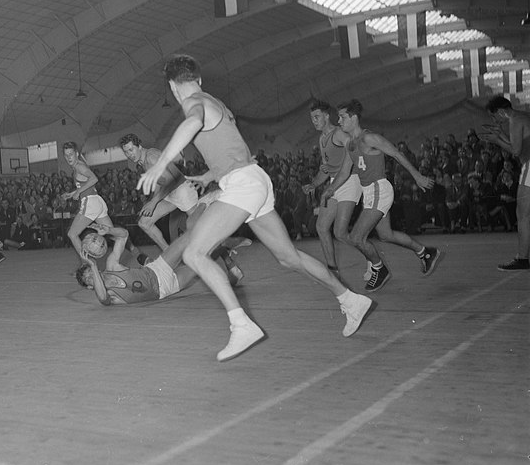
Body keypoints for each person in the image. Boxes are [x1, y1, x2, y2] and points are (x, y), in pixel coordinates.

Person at [137, 54, 373, 362]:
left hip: (243, 185)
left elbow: (192, 122)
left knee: (194, 254)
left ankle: (240, 324)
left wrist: (161, 165)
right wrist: (210, 175)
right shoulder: (215, 101)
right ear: (198, 78)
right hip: (253, 179)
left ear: (172, 85)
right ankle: (350, 300)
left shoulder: (194, 103)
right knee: (289, 258)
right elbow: (235, 149)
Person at [322, 100, 443, 292]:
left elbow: (395, 153)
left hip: (379, 189)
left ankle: (380, 269)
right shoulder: (351, 144)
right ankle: (425, 253)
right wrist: (330, 189)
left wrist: (417, 176)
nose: (339, 121)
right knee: (386, 235)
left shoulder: (369, 138)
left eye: (343, 117)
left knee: (356, 237)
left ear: (354, 117)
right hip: (369, 193)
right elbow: (345, 172)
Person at [76, 223, 245, 305]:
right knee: (203, 259)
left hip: (157, 268)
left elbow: (124, 235)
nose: (92, 274)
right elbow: (103, 298)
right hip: (166, 288)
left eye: (91, 271)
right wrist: (91, 266)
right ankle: (225, 248)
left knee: (187, 236)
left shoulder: (111, 265)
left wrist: (109, 231)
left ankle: (222, 225)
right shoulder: (108, 294)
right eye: (89, 278)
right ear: (90, 287)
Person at [303, 99, 365, 279]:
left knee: (340, 232)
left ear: (326, 116)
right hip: (334, 182)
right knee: (321, 226)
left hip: (349, 181)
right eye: (312, 118)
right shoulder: (322, 138)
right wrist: (314, 184)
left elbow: (353, 145)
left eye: (317, 117)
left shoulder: (338, 133)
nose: (314, 121)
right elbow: (326, 168)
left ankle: (372, 259)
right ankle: (333, 270)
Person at [61, 141, 147, 265]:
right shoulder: (78, 166)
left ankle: (87, 266)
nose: (69, 157)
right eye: (66, 155)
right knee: (112, 233)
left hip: (90, 203)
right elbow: (86, 183)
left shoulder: (79, 166)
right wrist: (72, 193)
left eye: (71, 154)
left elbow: (94, 179)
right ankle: (136, 253)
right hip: (97, 202)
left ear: (77, 153)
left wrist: (78, 192)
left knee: (72, 234)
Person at [120, 133, 200, 251]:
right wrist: (150, 202)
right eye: (126, 152)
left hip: (183, 190)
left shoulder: (151, 157)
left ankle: (226, 257)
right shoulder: (142, 161)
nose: (129, 154)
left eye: (131, 149)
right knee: (144, 222)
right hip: (170, 193)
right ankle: (168, 254)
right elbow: (159, 182)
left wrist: (153, 203)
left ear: (139, 146)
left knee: (200, 228)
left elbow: (171, 181)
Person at [483, 95, 530, 270]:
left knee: (523, 214)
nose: (494, 120)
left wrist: (496, 141)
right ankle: (523, 257)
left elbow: (516, 151)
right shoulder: (522, 116)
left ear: (502, 112)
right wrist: (501, 135)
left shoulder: (514, 120)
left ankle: (523, 258)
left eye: (494, 116)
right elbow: (519, 143)